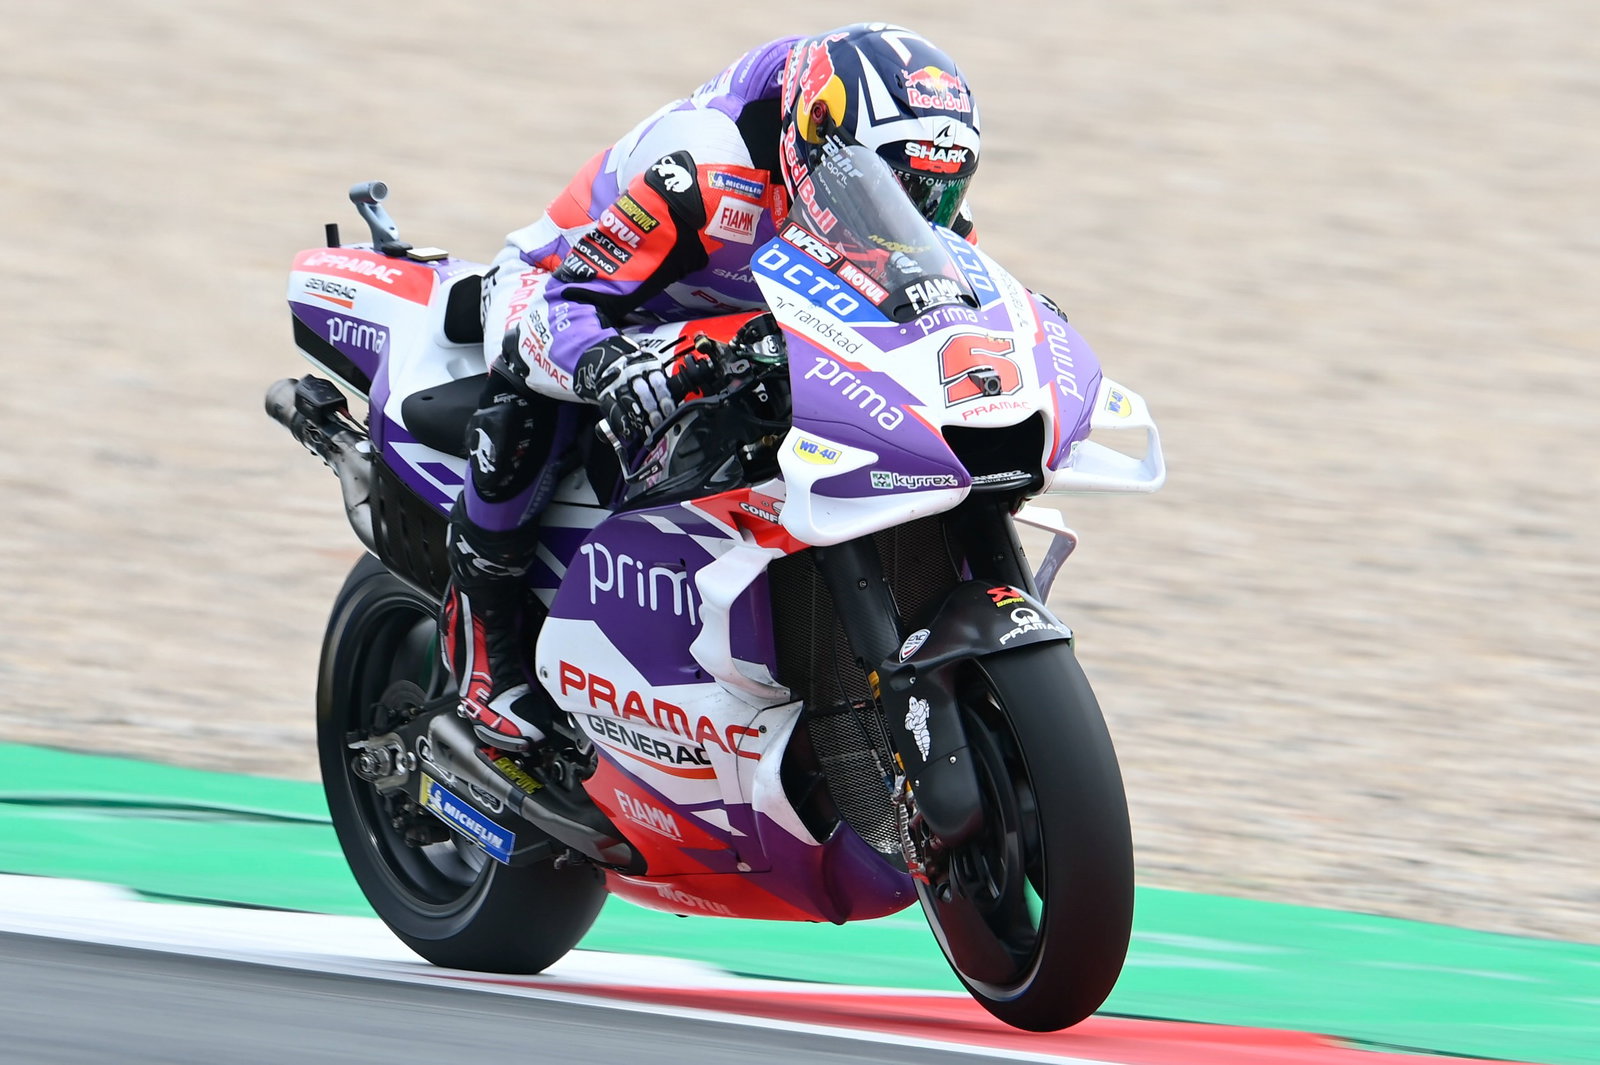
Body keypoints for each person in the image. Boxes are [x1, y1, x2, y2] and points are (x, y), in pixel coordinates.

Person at [440, 23, 984, 756]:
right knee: (540, 392)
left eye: (937, 188)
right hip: (581, 293)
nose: (918, 207)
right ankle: (480, 632)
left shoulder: (910, 199)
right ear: (818, 139)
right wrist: (605, 363)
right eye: (896, 183)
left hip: (744, 319)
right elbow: (563, 303)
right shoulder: (704, 170)